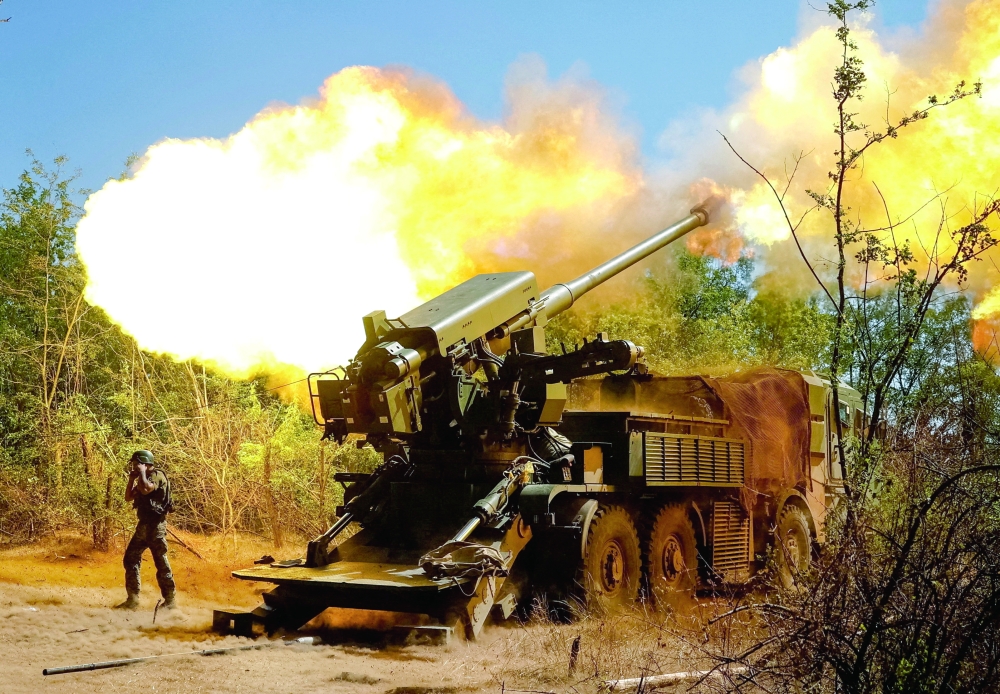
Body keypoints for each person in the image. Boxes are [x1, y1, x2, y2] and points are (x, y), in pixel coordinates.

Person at [115, 450, 176, 610]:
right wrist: (131, 479)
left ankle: (170, 601)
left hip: (156, 527)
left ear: (146, 463)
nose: (134, 466)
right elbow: (129, 497)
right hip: (143, 527)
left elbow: (147, 489)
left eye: (137, 464)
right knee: (130, 558)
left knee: (161, 563)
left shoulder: (156, 476)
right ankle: (133, 599)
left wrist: (141, 474)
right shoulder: (143, 479)